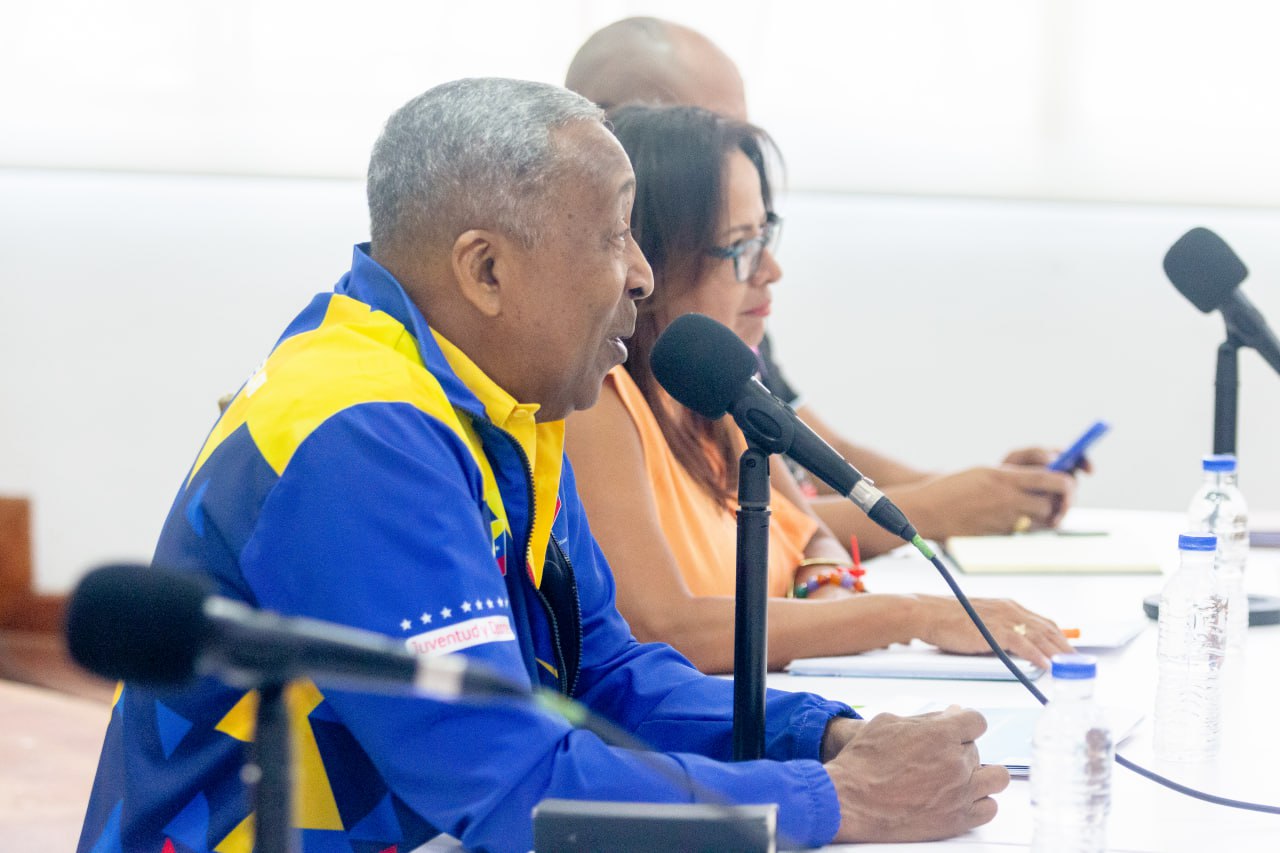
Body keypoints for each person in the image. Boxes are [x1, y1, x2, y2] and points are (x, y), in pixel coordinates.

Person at [77, 79, 1008, 852]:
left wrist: (828, 735)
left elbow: (601, 676)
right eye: (614, 235)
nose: (642, 274)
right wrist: (837, 800)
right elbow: (515, 791)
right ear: (485, 270)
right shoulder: (360, 432)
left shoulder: (494, 402)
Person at [564, 104, 1071, 675]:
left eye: (765, 236)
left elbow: (813, 537)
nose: (770, 270)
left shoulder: (717, 392)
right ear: (650, 260)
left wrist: (827, 590)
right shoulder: (598, 402)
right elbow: (668, 629)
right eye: (740, 247)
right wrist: (911, 615)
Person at [566, 17, 1082, 558]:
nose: (729, 151)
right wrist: (940, 508)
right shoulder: (598, 378)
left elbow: (815, 464)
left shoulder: (723, 315)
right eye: (702, 127)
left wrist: (984, 490)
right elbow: (737, 529)